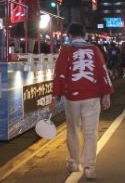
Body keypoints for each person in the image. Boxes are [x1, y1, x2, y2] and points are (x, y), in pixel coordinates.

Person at [50, 23, 113, 180]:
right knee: (91, 131)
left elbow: (60, 74)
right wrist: (107, 94)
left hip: (72, 96)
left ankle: (74, 161)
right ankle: (90, 167)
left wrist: (54, 96)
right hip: (92, 96)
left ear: (70, 35)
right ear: (84, 35)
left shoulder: (65, 51)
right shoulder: (94, 50)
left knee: (73, 129)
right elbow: (102, 71)